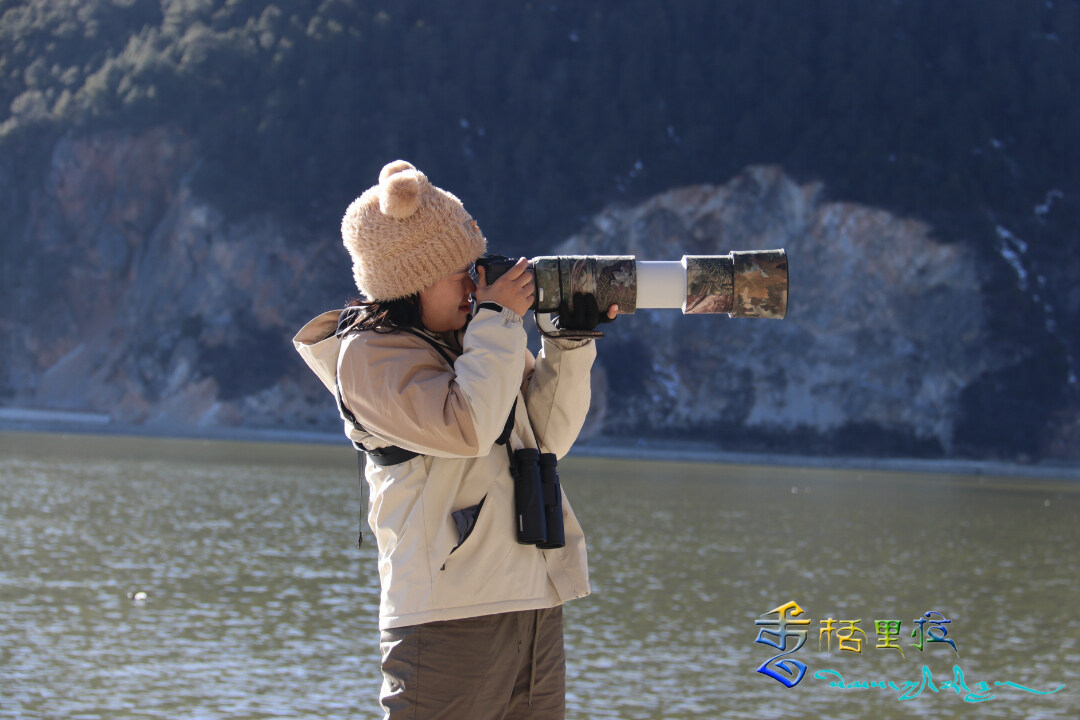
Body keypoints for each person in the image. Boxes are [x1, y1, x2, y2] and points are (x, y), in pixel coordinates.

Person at [293, 160, 615, 719]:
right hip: (446, 617)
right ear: (410, 282)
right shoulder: (369, 357)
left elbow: (547, 440)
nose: (475, 285)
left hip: (531, 602)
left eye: (476, 269)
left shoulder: (479, 340)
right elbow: (467, 429)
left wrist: (569, 343)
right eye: (460, 273)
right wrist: (496, 319)